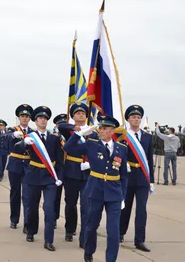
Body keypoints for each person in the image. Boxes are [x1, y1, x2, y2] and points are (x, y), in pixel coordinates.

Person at [63, 114, 128, 262]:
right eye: (100, 128)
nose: (101, 130)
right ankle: (89, 251)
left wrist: (123, 196)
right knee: (91, 225)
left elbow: (124, 175)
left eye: (105, 128)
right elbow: (68, 148)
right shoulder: (91, 144)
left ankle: (110, 259)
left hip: (114, 193)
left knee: (113, 231)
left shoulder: (122, 148)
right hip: (95, 190)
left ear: (112, 131)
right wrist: (78, 134)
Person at [21, 106, 64, 252]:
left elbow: (60, 160)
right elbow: (16, 149)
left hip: (50, 178)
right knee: (32, 207)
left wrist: (59, 177)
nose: (43, 120)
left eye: (45, 118)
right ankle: (31, 231)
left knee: (50, 209)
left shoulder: (54, 138)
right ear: (35, 121)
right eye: (40, 118)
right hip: (33, 175)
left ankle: (48, 240)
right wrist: (23, 143)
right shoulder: (30, 137)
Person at [57, 103, 98, 246]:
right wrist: (78, 129)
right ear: (73, 116)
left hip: (88, 172)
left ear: (87, 116)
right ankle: (70, 229)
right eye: (77, 113)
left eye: (83, 113)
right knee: (71, 203)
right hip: (72, 171)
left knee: (86, 205)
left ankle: (84, 235)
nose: (81, 115)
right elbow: (61, 126)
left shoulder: (93, 132)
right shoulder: (69, 131)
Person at [120, 105, 154, 252]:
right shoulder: (123, 136)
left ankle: (139, 240)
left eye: (138, 117)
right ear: (128, 119)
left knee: (141, 210)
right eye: (133, 117)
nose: (136, 119)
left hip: (142, 178)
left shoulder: (147, 137)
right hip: (127, 177)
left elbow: (150, 159)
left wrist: (151, 180)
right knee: (124, 208)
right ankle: (120, 232)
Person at [6, 104, 34, 232]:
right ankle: (14, 219)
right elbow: (6, 137)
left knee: (27, 195)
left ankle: (27, 223)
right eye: (22, 116)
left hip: (28, 166)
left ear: (29, 118)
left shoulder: (33, 132)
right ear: (19, 117)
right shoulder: (12, 130)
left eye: (27, 116)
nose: (24, 118)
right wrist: (13, 135)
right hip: (15, 164)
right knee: (15, 193)